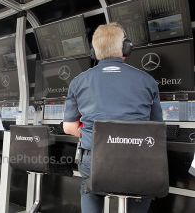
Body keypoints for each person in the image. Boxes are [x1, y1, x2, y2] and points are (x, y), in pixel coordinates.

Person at [63, 23, 163, 213]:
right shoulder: (148, 81)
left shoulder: (78, 82)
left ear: (94, 51)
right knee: (143, 188)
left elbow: (68, 128)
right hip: (138, 160)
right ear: (126, 48)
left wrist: (98, 137)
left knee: (90, 189)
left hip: (94, 160)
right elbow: (156, 128)